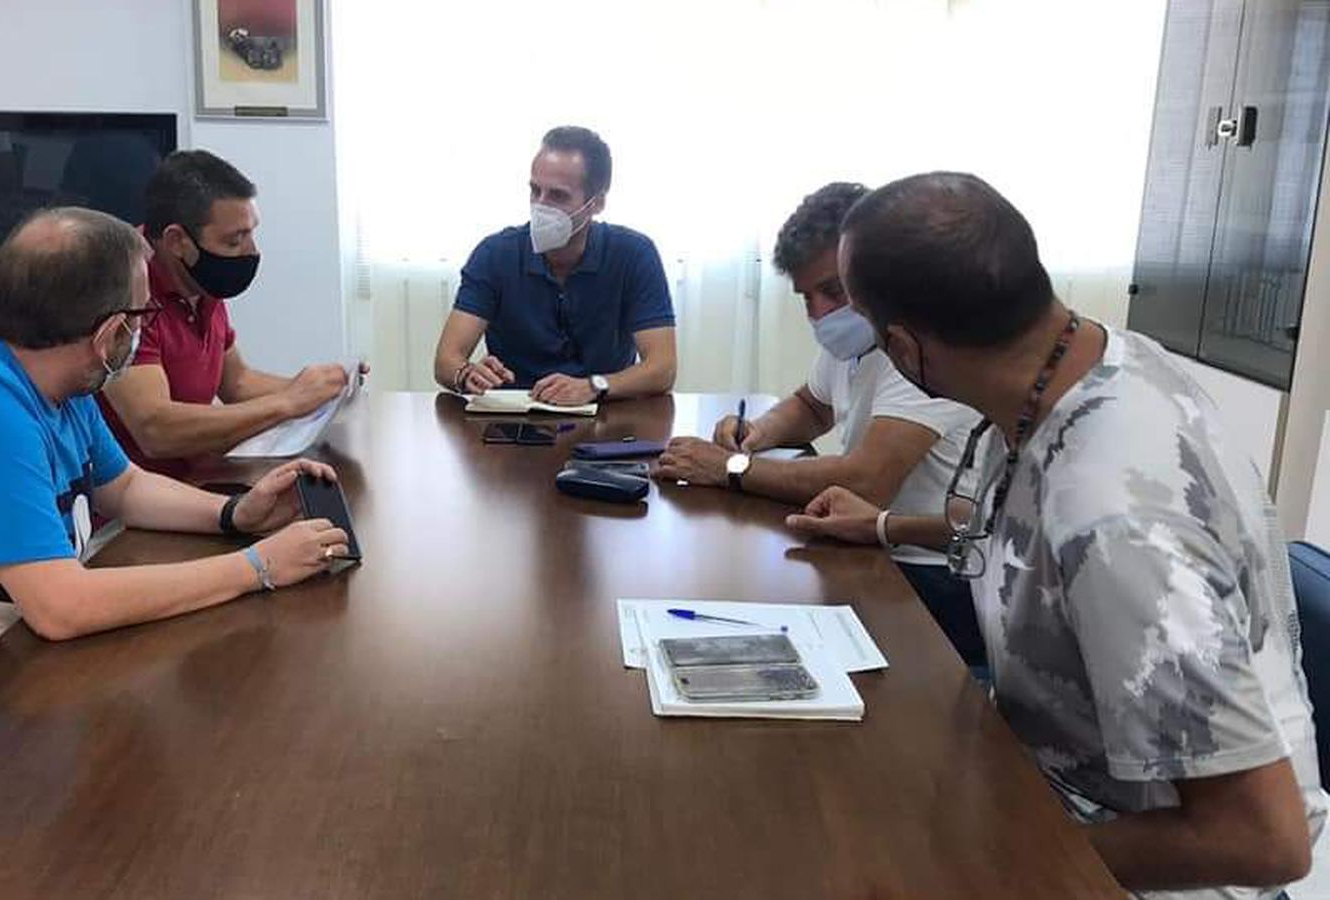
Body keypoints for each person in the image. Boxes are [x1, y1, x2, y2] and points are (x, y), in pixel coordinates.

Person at [787, 172, 1320, 897]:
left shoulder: (1115, 522)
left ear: (906, 349)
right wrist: (884, 525)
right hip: (1040, 788)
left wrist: (975, 866)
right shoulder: (1097, 362)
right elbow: (1021, 533)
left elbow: (1261, 841)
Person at [0, 208, 350, 785]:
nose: (146, 329)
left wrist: (233, 515)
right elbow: (61, 608)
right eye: (142, 315)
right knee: (166, 772)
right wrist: (258, 568)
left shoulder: (52, 368)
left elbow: (123, 486)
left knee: (164, 743)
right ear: (108, 334)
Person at [654, 183, 985, 669]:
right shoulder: (854, 340)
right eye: (806, 297)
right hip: (870, 545)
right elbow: (813, 405)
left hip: (933, 573)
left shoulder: (922, 346)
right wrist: (758, 433)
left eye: (833, 290)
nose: (819, 314)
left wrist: (733, 467)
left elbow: (865, 481)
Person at [99, 150, 355, 481]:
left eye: (251, 233)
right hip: (138, 507)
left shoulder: (199, 282)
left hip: (199, 480)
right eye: (235, 240)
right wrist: (289, 402)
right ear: (177, 241)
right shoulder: (128, 293)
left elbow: (236, 382)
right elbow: (156, 428)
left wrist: (323, 389)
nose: (252, 251)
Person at [432, 126, 677, 405]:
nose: (540, 206)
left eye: (558, 196)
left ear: (596, 203)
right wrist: (467, 374)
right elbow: (445, 361)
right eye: (535, 191)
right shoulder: (494, 254)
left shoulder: (634, 254)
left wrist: (593, 387)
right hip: (515, 416)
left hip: (606, 416)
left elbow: (663, 368)